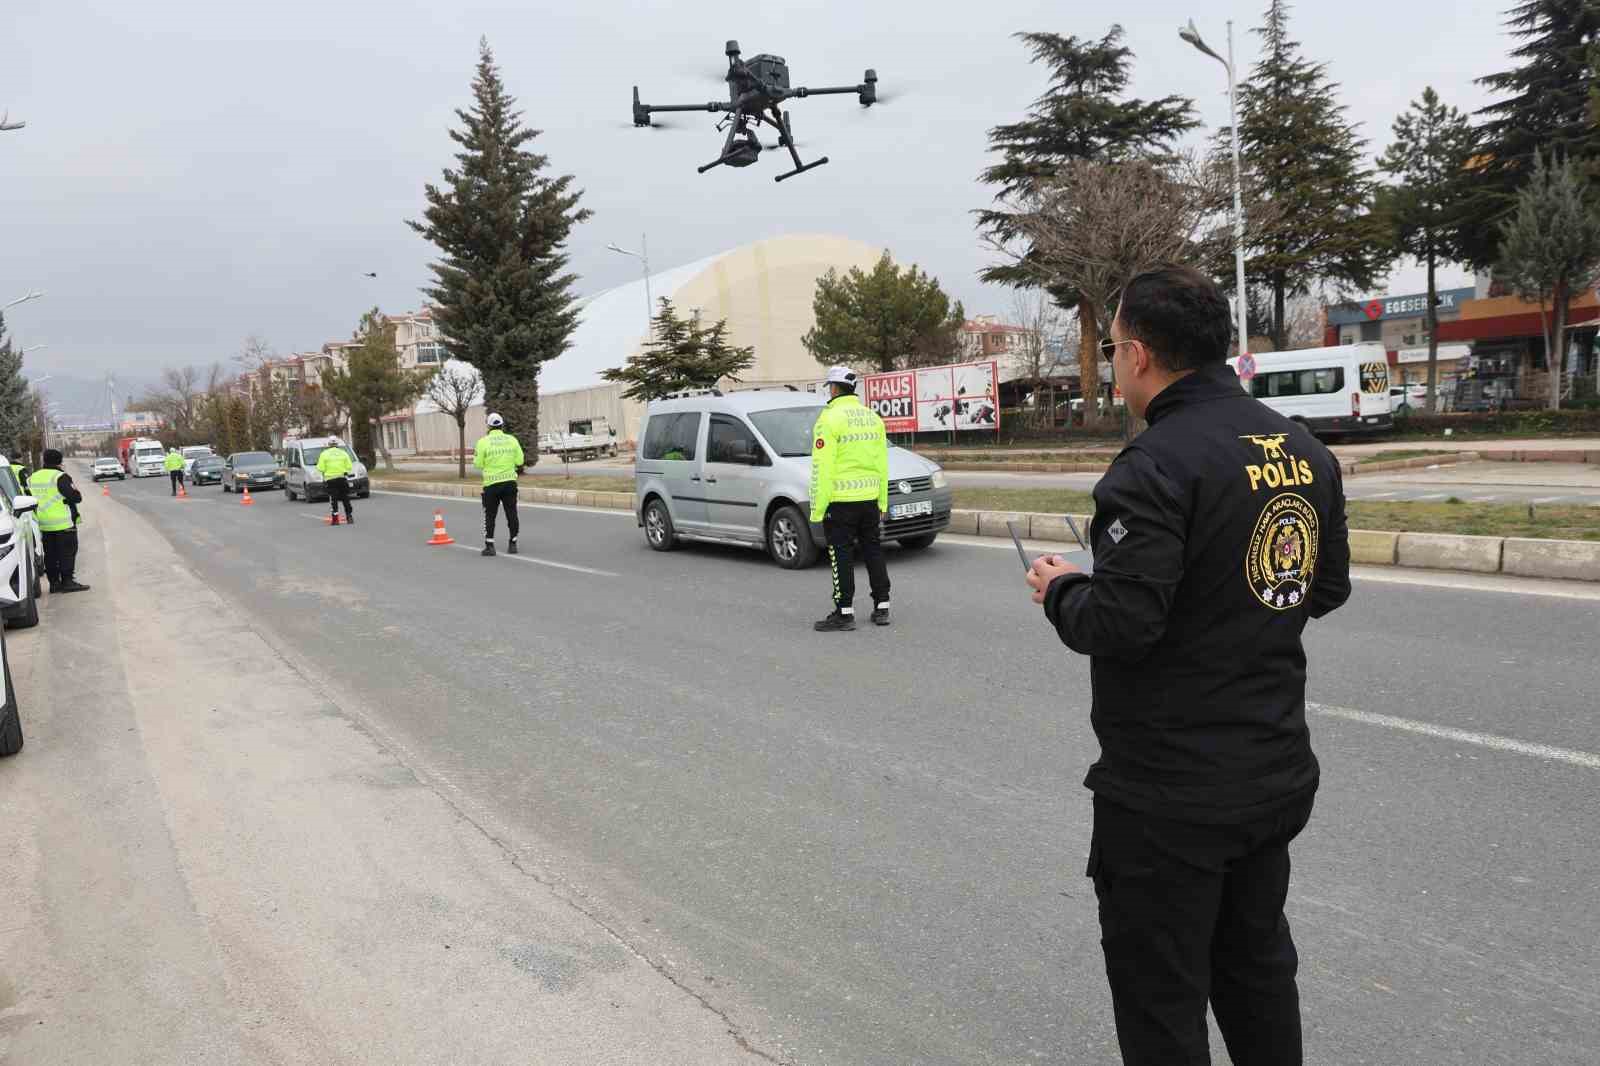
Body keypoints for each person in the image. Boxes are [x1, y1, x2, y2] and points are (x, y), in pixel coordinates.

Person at [1023, 264, 1350, 1066]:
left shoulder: (1155, 464)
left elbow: (1122, 621)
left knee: (1161, 994)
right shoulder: (1304, 449)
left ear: (1136, 354)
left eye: (1111, 346)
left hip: (1171, 797)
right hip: (1271, 772)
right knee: (1256, 969)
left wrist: (1063, 589)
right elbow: (1323, 587)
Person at [809, 365, 891, 632]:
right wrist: (882, 502)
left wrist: (818, 509)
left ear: (833, 389)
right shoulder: (872, 417)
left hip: (841, 501)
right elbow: (882, 464)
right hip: (869, 499)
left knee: (841, 555)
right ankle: (882, 606)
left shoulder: (829, 419)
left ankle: (844, 613)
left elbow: (823, 468)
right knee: (873, 551)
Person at [26, 449, 90, 593]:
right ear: (60, 461)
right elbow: (76, 497)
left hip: (42, 524)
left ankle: (54, 584)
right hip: (63, 523)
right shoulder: (60, 476)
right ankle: (67, 582)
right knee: (67, 552)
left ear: (44, 460)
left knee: (50, 554)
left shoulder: (32, 478)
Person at [472, 413, 524, 556]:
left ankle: (490, 546)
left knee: (490, 515)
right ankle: (513, 544)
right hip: (509, 483)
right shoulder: (512, 440)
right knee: (512, 513)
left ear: (488, 426)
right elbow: (520, 461)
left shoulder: (482, 442)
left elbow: (477, 463)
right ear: (502, 425)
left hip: (491, 484)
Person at [316, 436, 355, 525]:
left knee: (333, 499)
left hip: (330, 480)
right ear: (337, 444)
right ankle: (349, 517)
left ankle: (335, 520)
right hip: (342, 479)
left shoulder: (324, 454)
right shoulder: (343, 453)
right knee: (345, 498)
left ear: (328, 444)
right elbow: (349, 466)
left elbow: (320, 468)